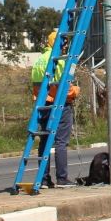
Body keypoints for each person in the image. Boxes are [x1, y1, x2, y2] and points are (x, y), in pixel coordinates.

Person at [31, 30, 80, 187]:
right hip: (60, 104)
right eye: (64, 42)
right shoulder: (59, 61)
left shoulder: (39, 60)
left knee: (44, 140)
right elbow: (65, 88)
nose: (65, 46)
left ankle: (44, 179)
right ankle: (62, 178)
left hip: (43, 104)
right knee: (61, 142)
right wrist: (76, 91)